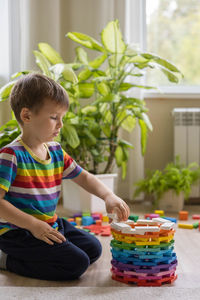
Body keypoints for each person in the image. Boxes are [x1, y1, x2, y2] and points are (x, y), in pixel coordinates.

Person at [0, 73, 130, 281]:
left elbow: (84, 177)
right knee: (75, 264)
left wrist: (108, 196)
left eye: (62, 118)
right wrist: (33, 226)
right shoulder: (11, 155)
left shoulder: (56, 151)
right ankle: (7, 259)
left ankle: (37, 251)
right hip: (18, 232)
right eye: (53, 117)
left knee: (93, 249)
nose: (60, 125)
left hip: (49, 223)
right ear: (27, 116)